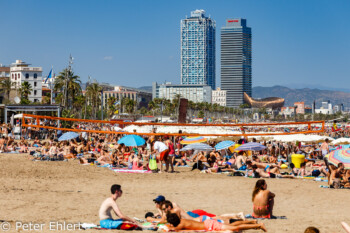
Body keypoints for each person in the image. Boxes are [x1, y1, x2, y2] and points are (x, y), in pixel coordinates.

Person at [166, 213, 267, 232]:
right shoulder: (182, 221)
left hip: (209, 224)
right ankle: (254, 223)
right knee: (231, 226)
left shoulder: (180, 225)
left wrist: (167, 226)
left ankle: (258, 225)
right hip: (208, 223)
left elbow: (172, 229)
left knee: (234, 228)